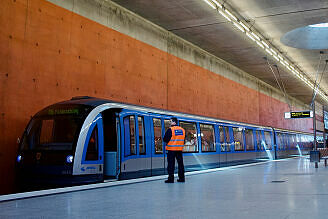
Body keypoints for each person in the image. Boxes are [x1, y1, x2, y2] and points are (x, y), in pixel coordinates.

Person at [163, 117, 186, 183]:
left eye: (170, 121)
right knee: (180, 164)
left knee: (171, 164)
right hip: (179, 150)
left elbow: (165, 139)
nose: (170, 123)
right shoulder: (182, 130)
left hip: (171, 149)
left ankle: (171, 179)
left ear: (174, 122)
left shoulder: (170, 130)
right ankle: (181, 178)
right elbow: (183, 140)